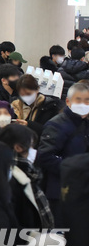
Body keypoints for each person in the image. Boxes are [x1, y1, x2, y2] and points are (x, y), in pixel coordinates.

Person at [36, 82, 89, 226]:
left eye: (87, 100)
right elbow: (45, 156)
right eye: (79, 100)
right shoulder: (57, 125)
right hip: (60, 192)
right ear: (68, 101)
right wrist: (73, 169)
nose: (83, 104)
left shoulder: (84, 124)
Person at [0, 124, 54, 230]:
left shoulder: (27, 174)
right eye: (31, 146)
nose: (33, 151)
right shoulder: (15, 178)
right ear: (18, 147)